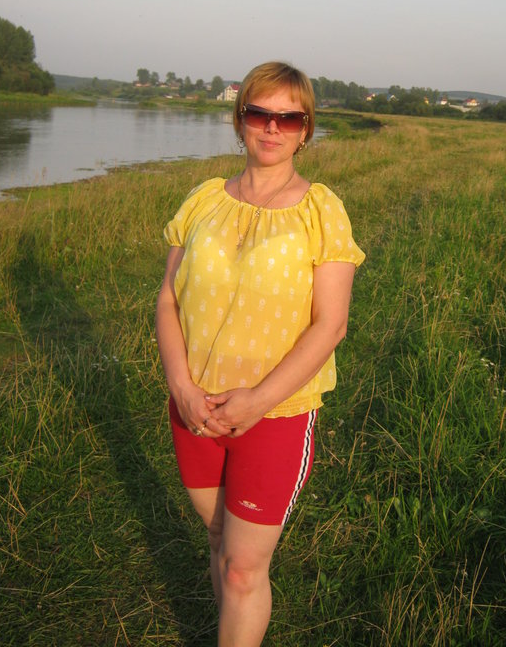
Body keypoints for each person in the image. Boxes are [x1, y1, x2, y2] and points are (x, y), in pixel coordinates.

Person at [155, 61, 365, 646]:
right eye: (259, 113)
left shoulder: (321, 210)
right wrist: (180, 386)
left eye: (288, 118)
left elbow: (331, 325)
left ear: (305, 130)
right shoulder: (203, 199)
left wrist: (257, 401)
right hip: (194, 408)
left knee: (244, 569)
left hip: (275, 415)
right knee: (219, 542)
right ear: (239, 120)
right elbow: (168, 299)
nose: (272, 128)